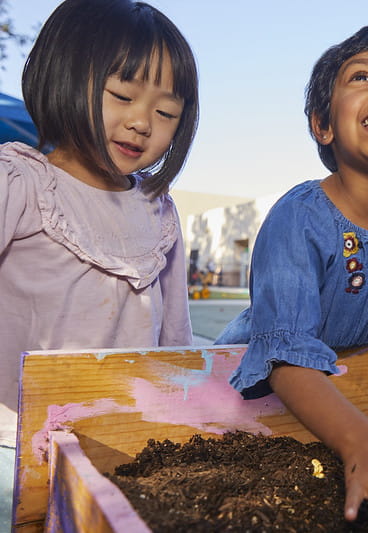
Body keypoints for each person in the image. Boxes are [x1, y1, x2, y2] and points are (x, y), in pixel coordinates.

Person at [215, 24, 368, 528]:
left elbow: (358, 296)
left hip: (327, 402)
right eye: (362, 76)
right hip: (236, 410)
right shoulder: (299, 218)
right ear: (323, 123)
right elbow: (284, 357)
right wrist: (364, 444)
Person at [0, 0, 198, 528]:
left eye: (165, 113)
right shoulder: (19, 182)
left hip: (120, 446)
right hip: (8, 442)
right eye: (123, 96)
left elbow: (174, 343)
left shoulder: (159, 212)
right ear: (65, 76)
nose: (141, 123)